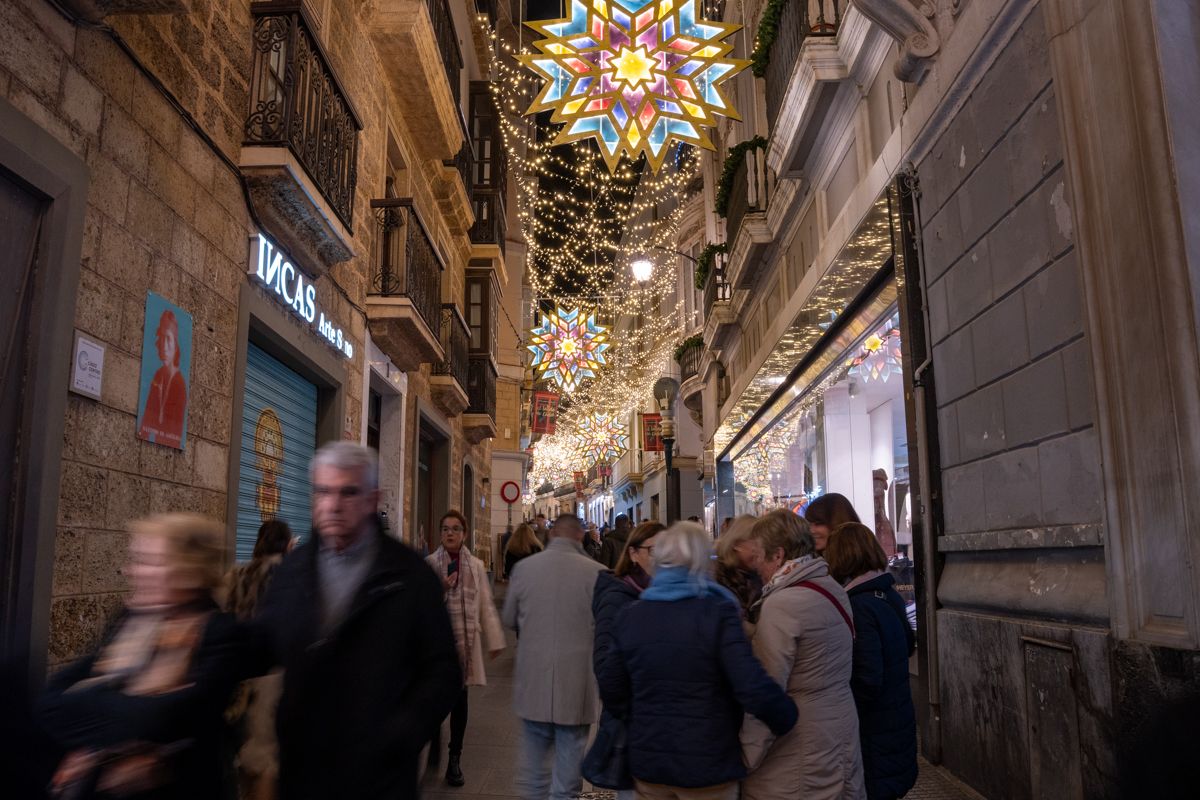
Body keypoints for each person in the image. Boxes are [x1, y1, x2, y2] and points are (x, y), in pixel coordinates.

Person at [253, 442, 462, 798]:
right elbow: (266, 643)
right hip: (304, 771)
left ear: (372, 498)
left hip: (379, 777)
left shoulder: (408, 574)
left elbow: (443, 671)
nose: (333, 505)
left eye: (348, 492)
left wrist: (400, 733)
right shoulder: (294, 569)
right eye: (323, 491)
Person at [40, 514, 245, 800]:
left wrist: (92, 707)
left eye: (150, 561)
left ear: (190, 571)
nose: (132, 571)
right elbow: (52, 702)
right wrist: (130, 713)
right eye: (136, 559)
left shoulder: (220, 634)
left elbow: (168, 717)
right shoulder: (128, 622)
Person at [596, 522, 797, 800]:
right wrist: (785, 715)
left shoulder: (632, 614)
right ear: (701, 560)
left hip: (649, 763)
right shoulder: (717, 612)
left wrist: (643, 716)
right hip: (707, 765)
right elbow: (749, 684)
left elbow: (611, 685)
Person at [742, 510, 864, 800]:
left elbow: (769, 690)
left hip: (798, 748)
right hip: (839, 728)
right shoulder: (832, 588)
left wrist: (745, 756)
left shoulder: (782, 604)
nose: (755, 564)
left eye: (759, 555)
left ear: (778, 555)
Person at [502, 514, 605, 800]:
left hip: (534, 686)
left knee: (534, 778)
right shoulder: (598, 573)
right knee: (567, 783)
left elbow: (510, 618)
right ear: (580, 536)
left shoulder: (524, 569)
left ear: (550, 534)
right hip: (576, 689)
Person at [825, 523, 918, 800]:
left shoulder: (860, 606)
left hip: (874, 733)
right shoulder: (888, 594)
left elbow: (867, 678)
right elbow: (907, 645)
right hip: (894, 724)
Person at [427, 510, 507, 787]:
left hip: (464, 646)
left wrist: (496, 639)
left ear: (464, 534)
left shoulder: (474, 565)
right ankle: (434, 754)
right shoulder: (429, 565)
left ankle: (454, 759)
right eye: (445, 529)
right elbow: (419, 609)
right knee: (435, 704)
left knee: (460, 703)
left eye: (455, 529)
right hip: (435, 650)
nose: (450, 533)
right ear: (440, 534)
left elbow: (485, 603)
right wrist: (439, 589)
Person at [590, 521, 665, 799]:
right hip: (629, 725)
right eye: (655, 550)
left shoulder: (663, 593)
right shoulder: (617, 598)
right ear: (633, 553)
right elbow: (605, 670)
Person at [223, 519, 294, 800]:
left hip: (238, 680)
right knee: (267, 762)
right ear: (287, 543)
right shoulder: (289, 576)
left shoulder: (236, 574)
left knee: (244, 759)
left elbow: (223, 618)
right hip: (274, 680)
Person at [137, 309, 188, 448]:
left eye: (169, 339)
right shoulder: (158, 376)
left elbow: (175, 436)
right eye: (162, 337)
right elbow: (146, 422)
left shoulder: (179, 384)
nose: (164, 346)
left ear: (176, 345)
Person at [713, 515, 764, 620]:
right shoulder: (719, 578)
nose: (759, 550)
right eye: (754, 543)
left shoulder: (757, 575)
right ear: (737, 544)